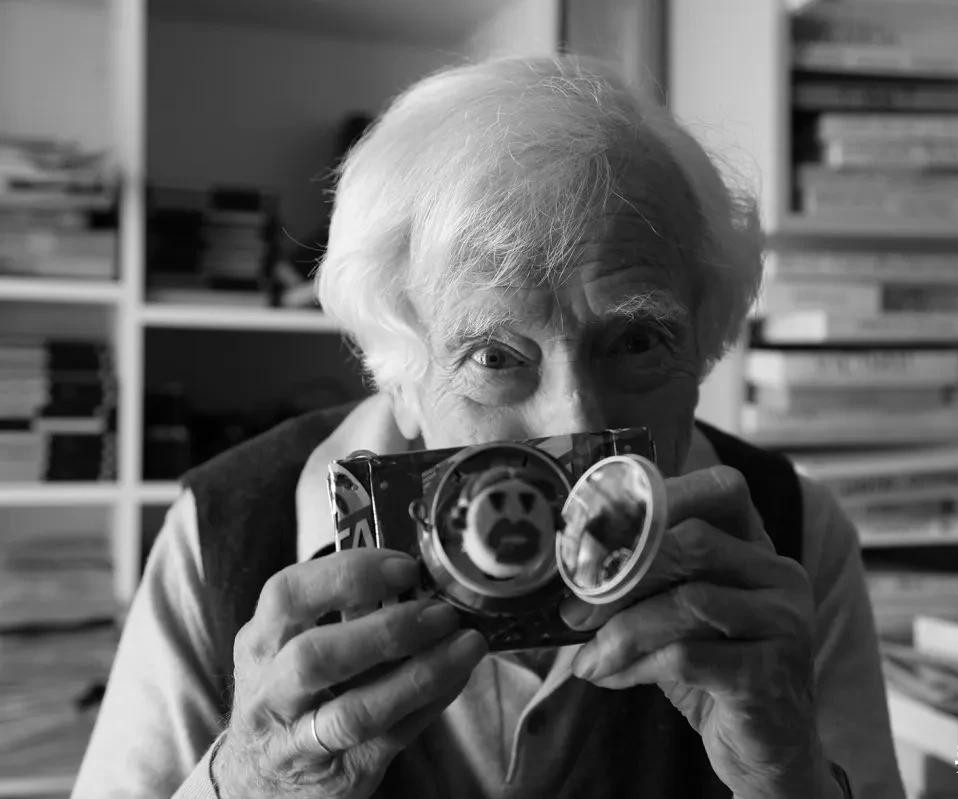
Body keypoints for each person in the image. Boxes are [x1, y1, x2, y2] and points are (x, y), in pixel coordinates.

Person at [73, 55, 904, 798]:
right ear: (402, 378)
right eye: (496, 356)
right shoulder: (219, 533)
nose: (577, 422)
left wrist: (786, 777)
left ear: (705, 345)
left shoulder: (792, 539)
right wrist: (252, 783)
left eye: (638, 341)